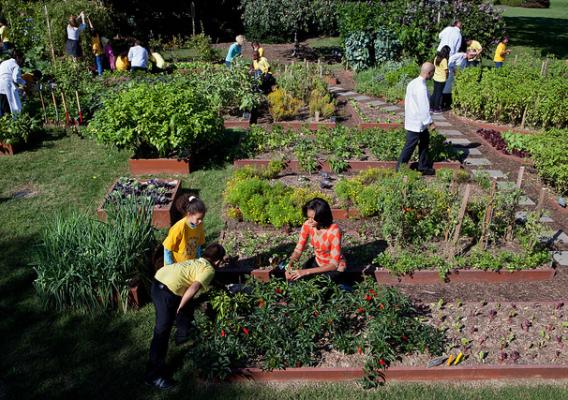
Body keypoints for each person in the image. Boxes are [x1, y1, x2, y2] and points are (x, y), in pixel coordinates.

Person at [145, 243, 226, 390]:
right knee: (162, 331)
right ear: (218, 261)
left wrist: (223, 288)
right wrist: (180, 307)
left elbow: (199, 280)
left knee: (186, 307)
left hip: (159, 279)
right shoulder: (209, 270)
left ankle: (182, 336)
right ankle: (153, 376)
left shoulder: (198, 261)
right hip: (165, 291)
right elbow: (194, 287)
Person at [286, 198, 347, 282]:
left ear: (322, 217)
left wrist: (306, 272)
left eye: (313, 218)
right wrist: (289, 266)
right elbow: (298, 250)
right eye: (308, 217)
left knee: (319, 285)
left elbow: (334, 264)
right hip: (318, 261)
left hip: (333, 268)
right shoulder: (308, 225)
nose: (309, 221)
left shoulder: (333, 231)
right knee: (297, 279)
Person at [396, 62, 436, 175]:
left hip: (413, 118)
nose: (433, 75)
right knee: (410, 145)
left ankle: (422, 166)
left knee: (425, 140)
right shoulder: (421, 87)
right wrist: (430, 123)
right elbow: (423, 108)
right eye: (432, 73)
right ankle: (399, 169)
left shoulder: (413, 82)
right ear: (429, 73)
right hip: (417, 122)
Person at [163, 196, 206, 265]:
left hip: (190, 263)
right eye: (198, 218)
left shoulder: (199, 225)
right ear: (189, 214)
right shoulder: (179, 227)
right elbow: (167, 248)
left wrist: (198, 259)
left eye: (202, 218)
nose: (201, 221)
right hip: (177, 264)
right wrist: (170, 266)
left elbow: (198, 245)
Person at [0, 50, 26, 117]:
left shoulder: (4, 62)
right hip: (7, 86)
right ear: (17, 57)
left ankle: (3, 123)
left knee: (2, 107)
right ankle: (11, 123)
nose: (21, 61)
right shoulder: (15, 65)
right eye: (21, 58)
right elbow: (16, 78)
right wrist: (24, 83)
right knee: (11, 106)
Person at [431, 45, 450, 113]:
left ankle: (431, 107)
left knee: (435, 93)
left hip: (435, 77)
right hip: (441, 79)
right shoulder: (444, 60)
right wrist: (447, 77)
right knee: (439, 94)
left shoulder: (436, 57)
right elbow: (446, 70)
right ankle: (436, 109)